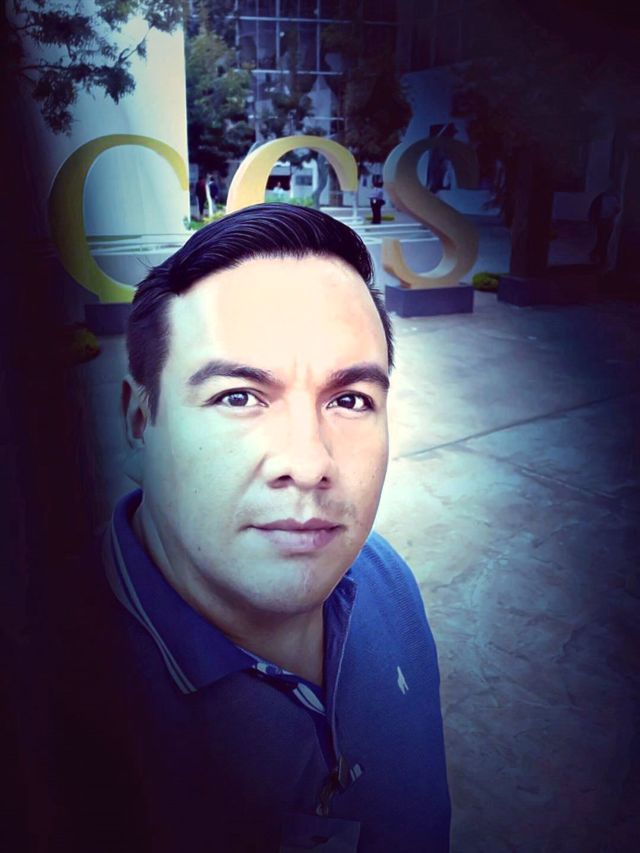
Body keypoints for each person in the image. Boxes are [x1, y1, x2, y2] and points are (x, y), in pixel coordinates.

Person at [48, 204, 450, 852]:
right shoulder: (44, 695)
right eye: (238, 397)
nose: (309, 464)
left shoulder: (387, 580)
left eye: (350, 399)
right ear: (140, 423)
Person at [588, 185, 621, 267]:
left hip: (608, 221)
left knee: (603, 239)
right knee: (603, 239)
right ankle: (601, 258)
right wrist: (593, 220)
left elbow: (617, 209)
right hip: (602, 221)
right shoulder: (601, 198)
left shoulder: (614, 198)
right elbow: (593, 209)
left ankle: (596, 254)